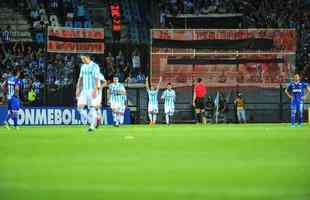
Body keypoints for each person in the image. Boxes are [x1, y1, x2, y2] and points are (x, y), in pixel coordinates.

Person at [76, 55, 100, 132]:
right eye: (81, 59)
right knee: (79, 108)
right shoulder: (83, 66)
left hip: (92, 89)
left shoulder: (95, 66)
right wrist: (78, 89)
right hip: (84, 90)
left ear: (88, 57)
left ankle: (92, 126)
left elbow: (96, 78)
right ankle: (92, 122)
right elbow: (80, 79)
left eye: (83, 58)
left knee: (92, 108)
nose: (82, 60)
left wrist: (95, 90)